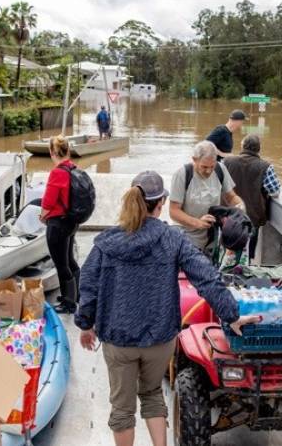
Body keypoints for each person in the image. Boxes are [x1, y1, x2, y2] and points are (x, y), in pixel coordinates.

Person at [75, 170, 259, 446]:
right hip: (160, 339)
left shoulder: (106, 241)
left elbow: (88, 285)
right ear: (161, 203)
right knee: (151, 394)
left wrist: (85, 324)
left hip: (118, 338)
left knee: (122, 409)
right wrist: (230, 315)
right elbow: (205, 276)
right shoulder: (173, 239)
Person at [169, 141, 246, 252]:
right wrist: (198, 223)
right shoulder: (182, 175)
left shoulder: (220, 170)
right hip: (186, 237)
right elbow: (174, 211)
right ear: (194, 160)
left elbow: (231, 197)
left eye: (212, 166)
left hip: (211, 239)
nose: (209, 171)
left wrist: (240, 207)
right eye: (204, 167)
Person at [40, 135, 81, 314]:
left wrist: (42, 217)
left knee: (61, 264)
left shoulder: (57, 172)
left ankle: (68, 303)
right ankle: (76, 294)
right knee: (70, 260)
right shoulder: (73, 168)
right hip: (71, 221)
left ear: (52, 152)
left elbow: (48, 203)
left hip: (58, 224)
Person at [223, 134, 281, 260]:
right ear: (259, 149)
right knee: (247, 253)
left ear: (242, 146)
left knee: (225, 251)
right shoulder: (265, 166)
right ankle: (244, 270)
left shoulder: (227, 162)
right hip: (252, 217)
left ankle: (223, 271)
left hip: (228, 215)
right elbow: (275, 192)